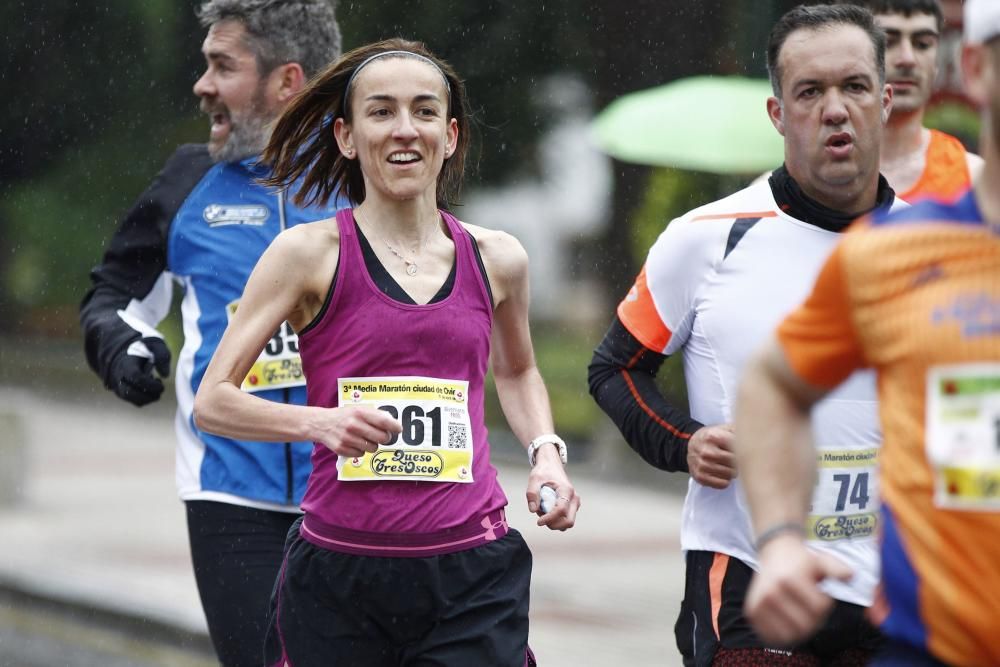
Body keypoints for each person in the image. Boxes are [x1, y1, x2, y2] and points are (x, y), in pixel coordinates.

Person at [192, 38, 580, 666]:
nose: (406, 129)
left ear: (449, 135)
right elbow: (214, 403)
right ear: (346, 136)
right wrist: (321, 423)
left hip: (471, 573)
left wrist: (546, 456)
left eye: (425, 111)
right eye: (382, 111)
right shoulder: (306, 255)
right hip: (340, 575)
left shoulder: (498, 258)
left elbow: (517, 369)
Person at [588, 4, 906, 665]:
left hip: (899, 587)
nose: (836, 109)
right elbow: (613, 367)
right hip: (750, 580)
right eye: (810, 92)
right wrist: (685, 442)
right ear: (778, 114)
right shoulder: (707, 238)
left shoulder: (940, 246)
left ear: (886, 99)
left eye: (853, 87)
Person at [734, 1, 1000, 664]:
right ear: (974, 67)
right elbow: (772, 386)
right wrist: (782, 540)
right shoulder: (888, 253)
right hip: (933, 646)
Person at [78, 1, 341, 664]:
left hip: (354, 488)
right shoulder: (189, 181)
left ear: (287, 81)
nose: (202, 86)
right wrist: (123, 347)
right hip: (230, 496)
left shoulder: (368, 180)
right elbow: (113, 296)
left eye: (222, 67)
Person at [848, 0, 983, 201]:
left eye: (922, 44)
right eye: (888, 42)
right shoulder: (816, 175)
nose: (907, 58)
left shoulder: (975, 179)